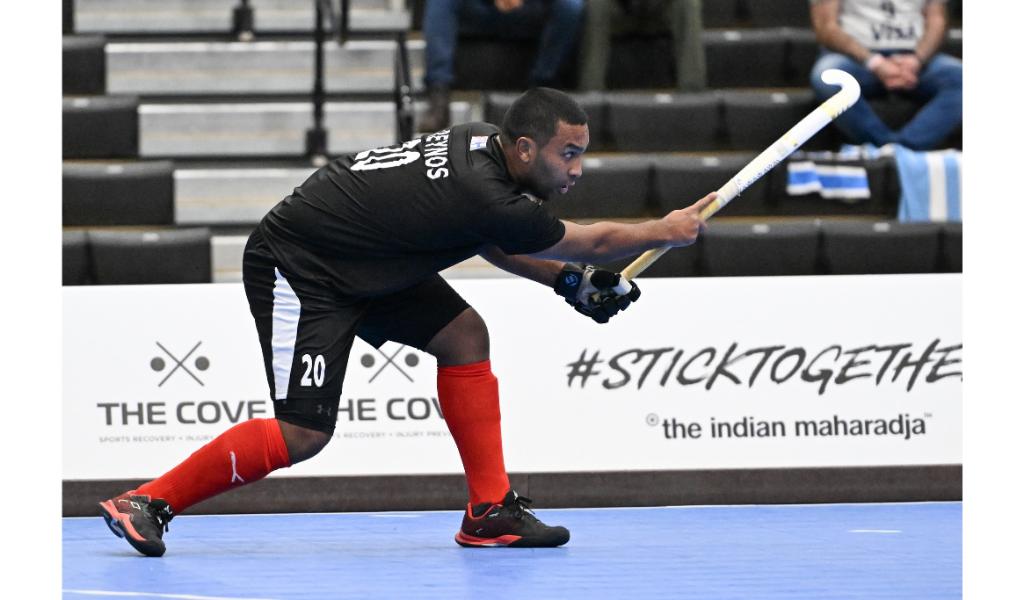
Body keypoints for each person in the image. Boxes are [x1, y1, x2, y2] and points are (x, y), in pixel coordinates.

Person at [99, 88, 715, 557]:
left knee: (465, 337)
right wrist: (665, 230)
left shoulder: (483, 145)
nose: (576, 170)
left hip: (370, 258)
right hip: (303, 266)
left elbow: (491, 237)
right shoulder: (486, 191)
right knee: (303, 432)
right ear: (526, 148)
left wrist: (565, 281)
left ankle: (489, 511)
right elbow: (589, 241)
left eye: (582, 154)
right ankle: (147, 501)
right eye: (569, 155)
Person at [809, 0, 962, 150]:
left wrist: (917, 59)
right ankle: (885, 147)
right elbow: (826, 26)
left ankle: (900, 150)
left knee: (963, 78)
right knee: (827, 77)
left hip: (915, 57)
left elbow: (937, 20)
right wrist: (874, 62)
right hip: (855, 58)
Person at [420, 0, 585, 131]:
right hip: (481, 9)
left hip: (529, 10)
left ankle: (541, 92)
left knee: (571, 5)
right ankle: (438, 93)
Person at [578, 0, 707, 92]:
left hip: (663, 11)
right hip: (620, 11)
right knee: (596, 4)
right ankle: (591, 91)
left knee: (689, 3)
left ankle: (692, 88)